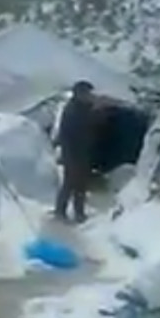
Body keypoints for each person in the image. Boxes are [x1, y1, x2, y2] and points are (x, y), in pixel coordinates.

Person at [54, 80, 98, 223]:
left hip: (83, 152)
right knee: (70, 183)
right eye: (86, 93)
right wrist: (69, 155)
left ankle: (79, 212)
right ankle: (60, 211)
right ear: (78, 94)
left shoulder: (86, 108)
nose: (89, 95)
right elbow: (66, 134)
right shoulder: (72, 110)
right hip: (72, 153)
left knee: (81, 184)